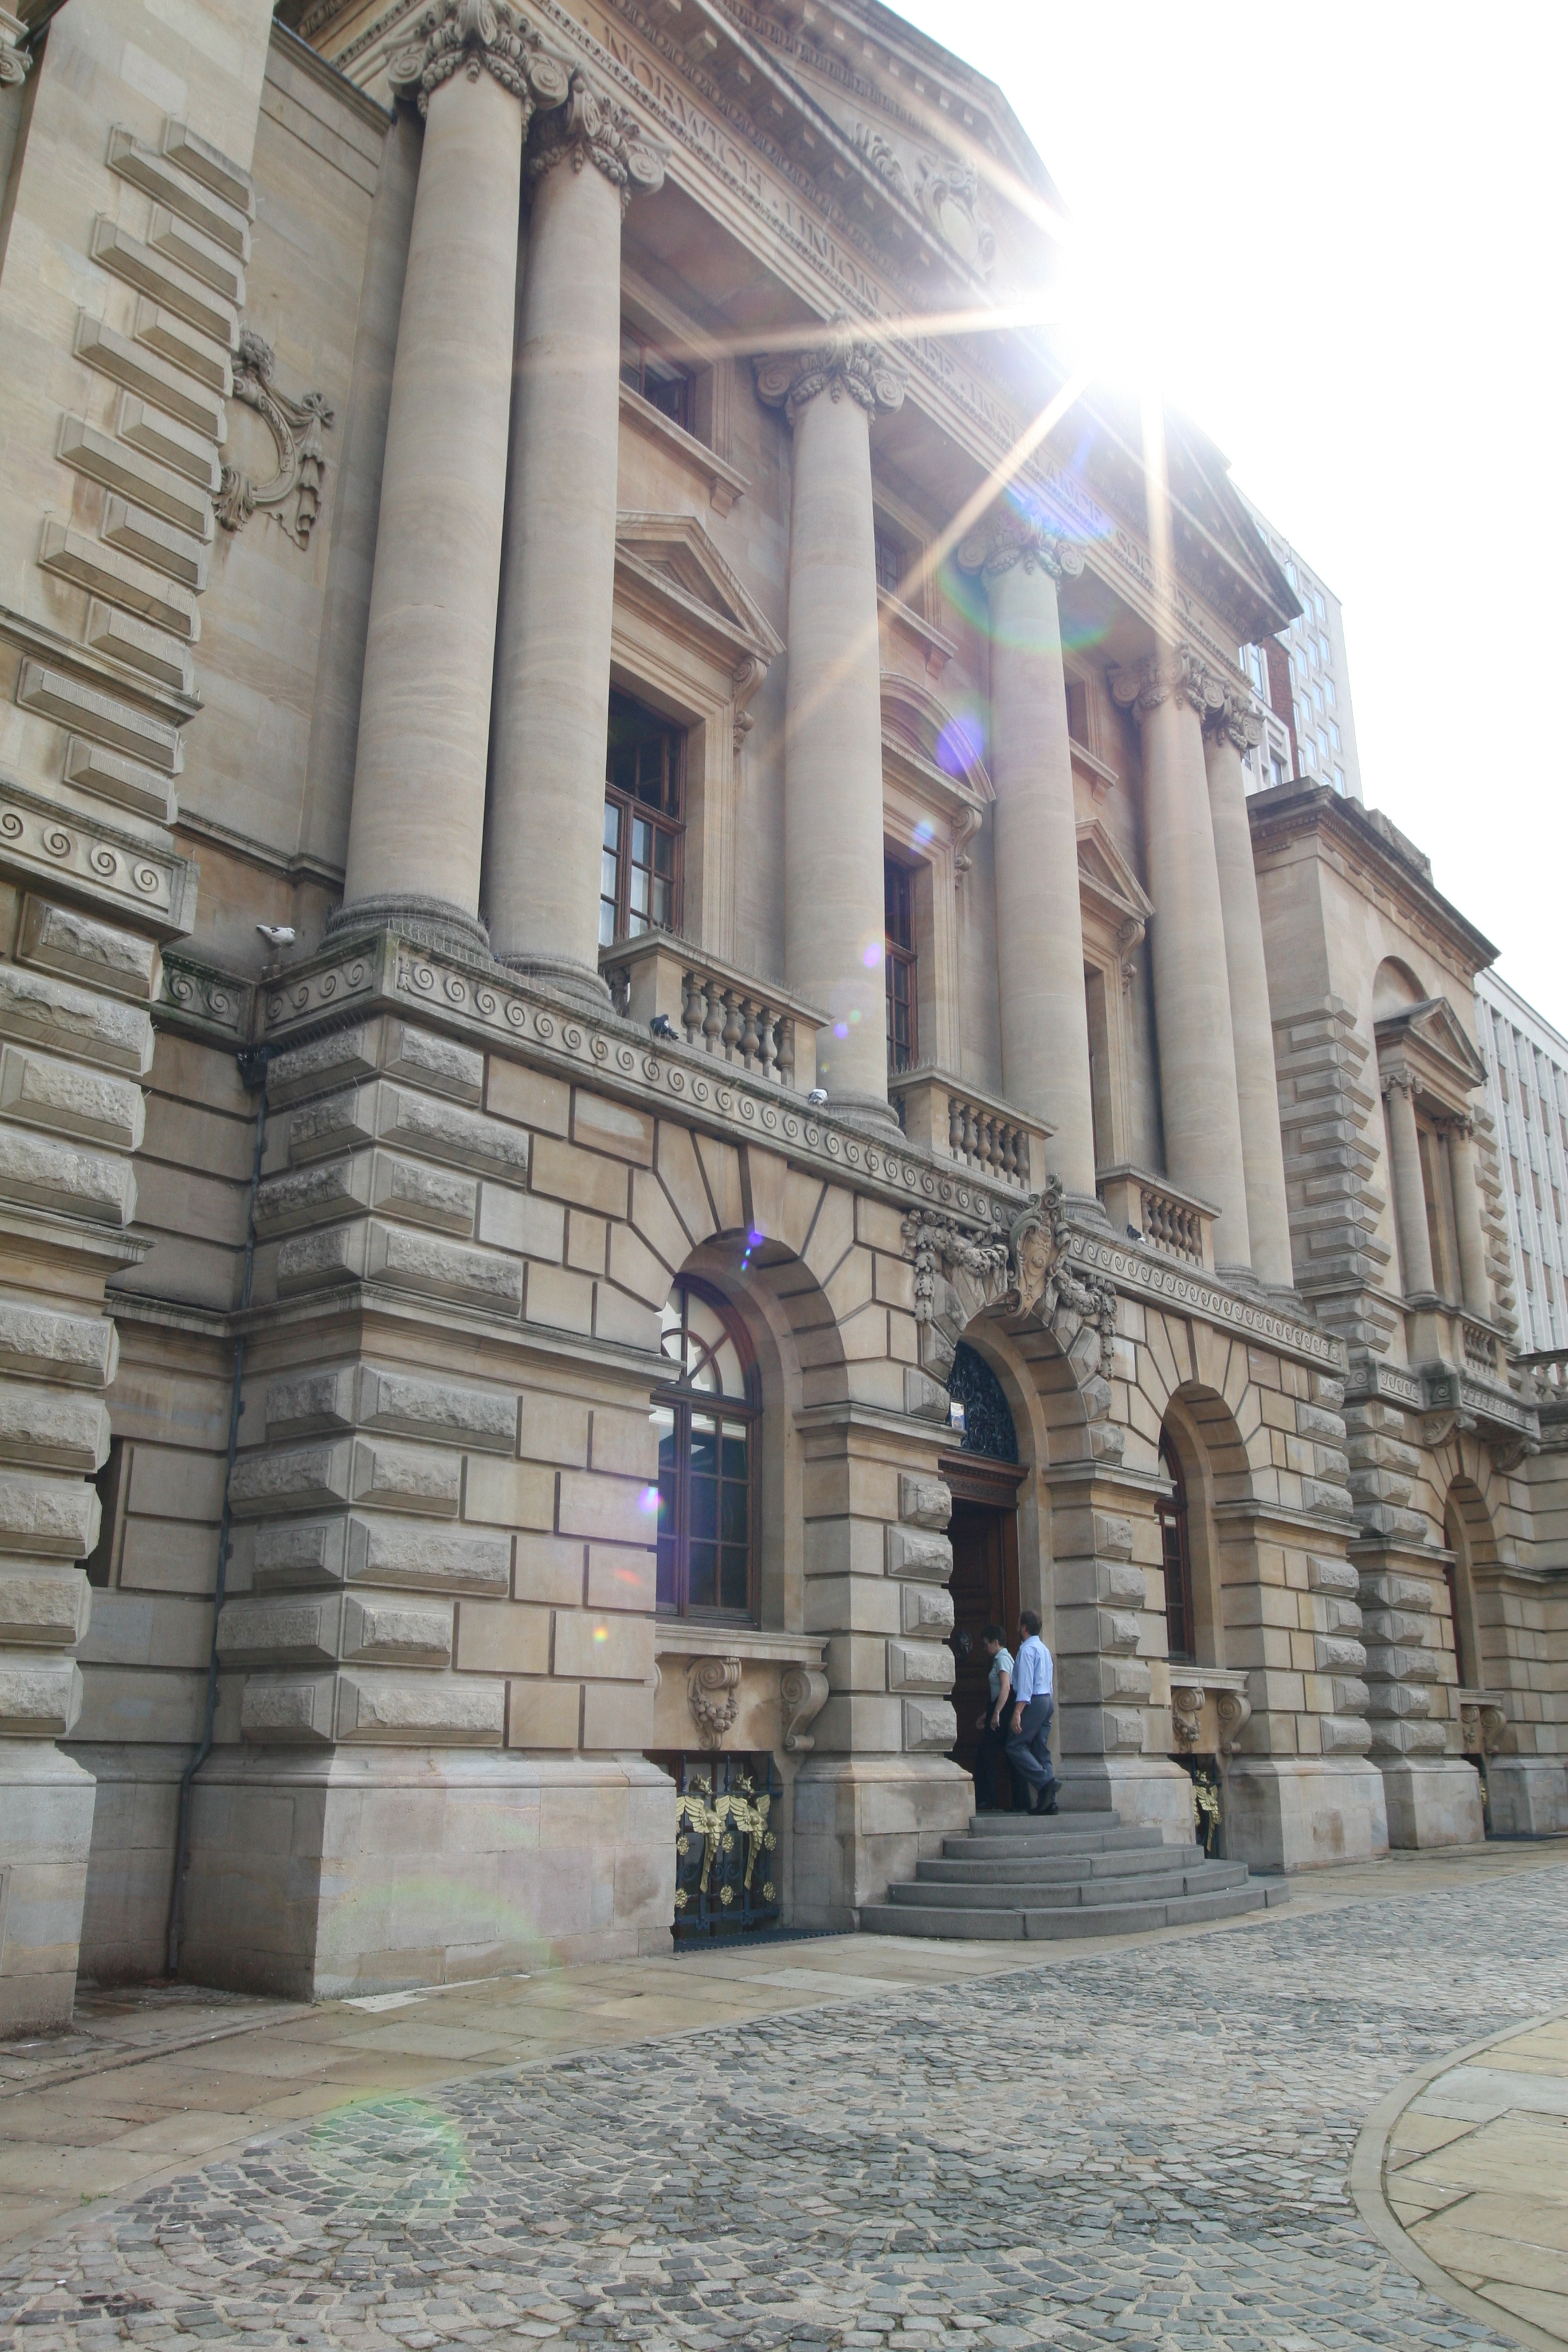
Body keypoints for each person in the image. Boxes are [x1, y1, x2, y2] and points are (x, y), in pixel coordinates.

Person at [1006, 1609, 1059, 1815]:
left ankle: (1046, 1782)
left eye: (1018, 1624)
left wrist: (1018, 1711)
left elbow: (1026, 1685)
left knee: (1014, 1745)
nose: (1016, 1627)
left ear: (1024, 1628)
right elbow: (1048, 1679)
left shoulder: (1027, 1651)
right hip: (1046, 1700)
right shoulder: (1044, 1649)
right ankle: (1049, 1803)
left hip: (1033, 1701)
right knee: (1040, 1749)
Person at [972, 1624, 1017, 1812]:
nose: (985, 1649)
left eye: (986, 1645)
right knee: (993, 1753)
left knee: (987, 1753)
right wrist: (987, 1714)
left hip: (1004, 1712)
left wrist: (996, 1713)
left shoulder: (1003, 1659)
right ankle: (995, 1799)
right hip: (998, 1709)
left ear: (995, 1643)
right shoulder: (1000, 1659)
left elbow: (1005, 1688)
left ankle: (989, 1799)